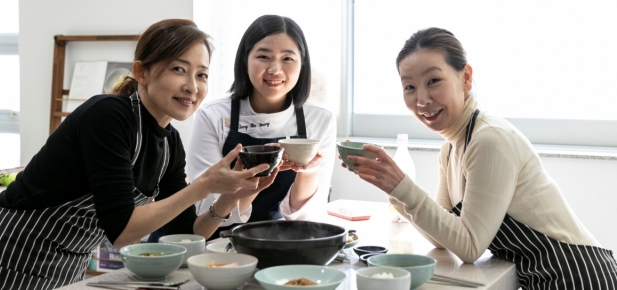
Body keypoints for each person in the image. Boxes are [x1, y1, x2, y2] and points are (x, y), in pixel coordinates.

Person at [0, 19, 271, 290]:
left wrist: (230, 196)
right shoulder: (108, 115)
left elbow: (189, 234)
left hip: (69, 263)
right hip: (11, 255)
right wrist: (203, 186)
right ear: (142, 72)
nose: (192, 86)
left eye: (202, 74)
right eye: (178, 69)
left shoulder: (170, 143)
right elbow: (123, 231)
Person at [344, 27, 617, 288]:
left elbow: (470, 247)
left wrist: (402, 185)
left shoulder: (489, 139)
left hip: (578, 274)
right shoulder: (450, 148)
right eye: (409, 87)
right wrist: (391, 188)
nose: (422, 99)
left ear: (466, 78)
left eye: (434, 81)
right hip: (544, 277)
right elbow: (444, 240)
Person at [186, 15, 336, 240]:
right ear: (245, 59)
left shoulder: (319, 119)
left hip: (284, 241)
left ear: (302, 64)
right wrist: (248, 188)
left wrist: (308, 170)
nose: (275, 69)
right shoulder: (213, 115)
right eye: (263, 56)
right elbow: (205, 205)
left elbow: (309, 219)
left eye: (288, 58)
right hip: (219, 241)